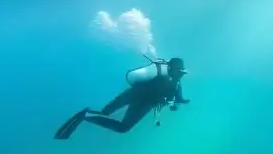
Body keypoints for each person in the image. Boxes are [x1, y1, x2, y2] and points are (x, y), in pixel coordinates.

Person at [53, 57, 190, 139]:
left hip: (135, 95)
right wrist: (177, 101)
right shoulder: (173, 81)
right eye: (180, 70)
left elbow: (177, 99)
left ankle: (85, 115)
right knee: (119, 124)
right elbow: (177, 99)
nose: (180, 73)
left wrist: (178, 101)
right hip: (142, 100)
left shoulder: (174, 81)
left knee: (113, 119)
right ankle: (85, 115)